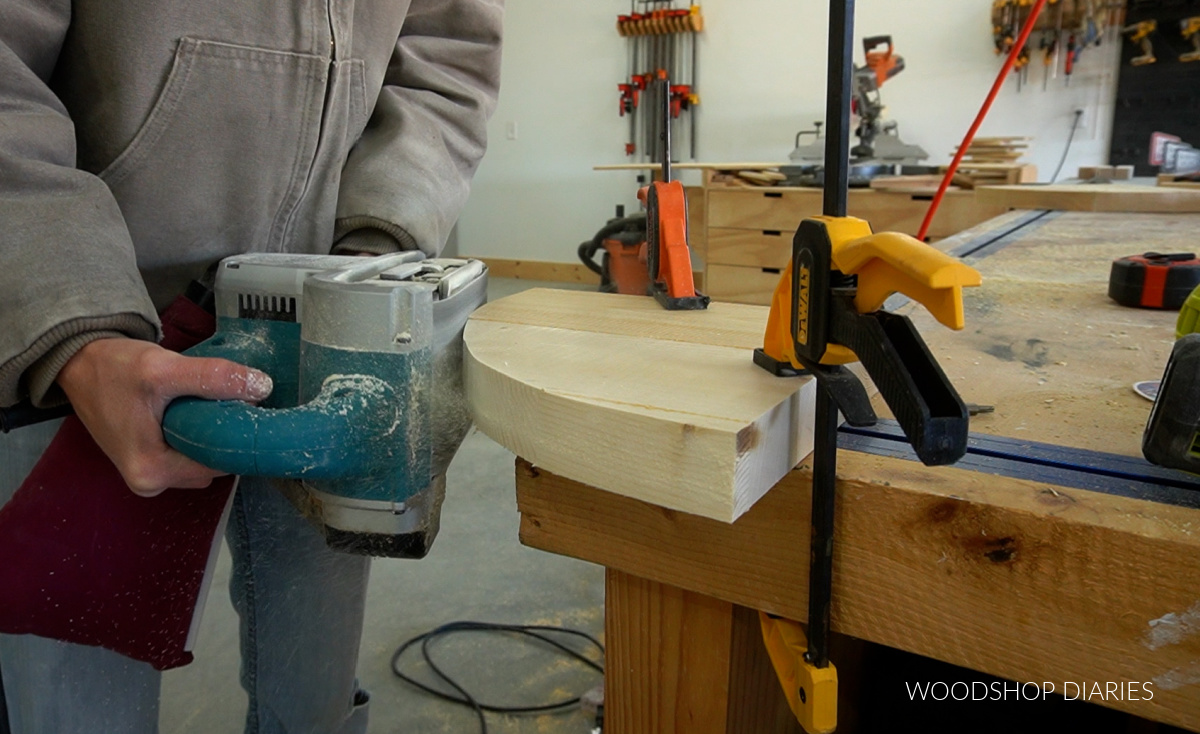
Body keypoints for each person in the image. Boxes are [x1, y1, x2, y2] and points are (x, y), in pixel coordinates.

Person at [0, 0, 503, 731]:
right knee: (79, 691)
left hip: (332, 316)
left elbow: (447, 59)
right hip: (95, 337)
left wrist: (372, 256)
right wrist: (71, 318)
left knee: (315, 678)